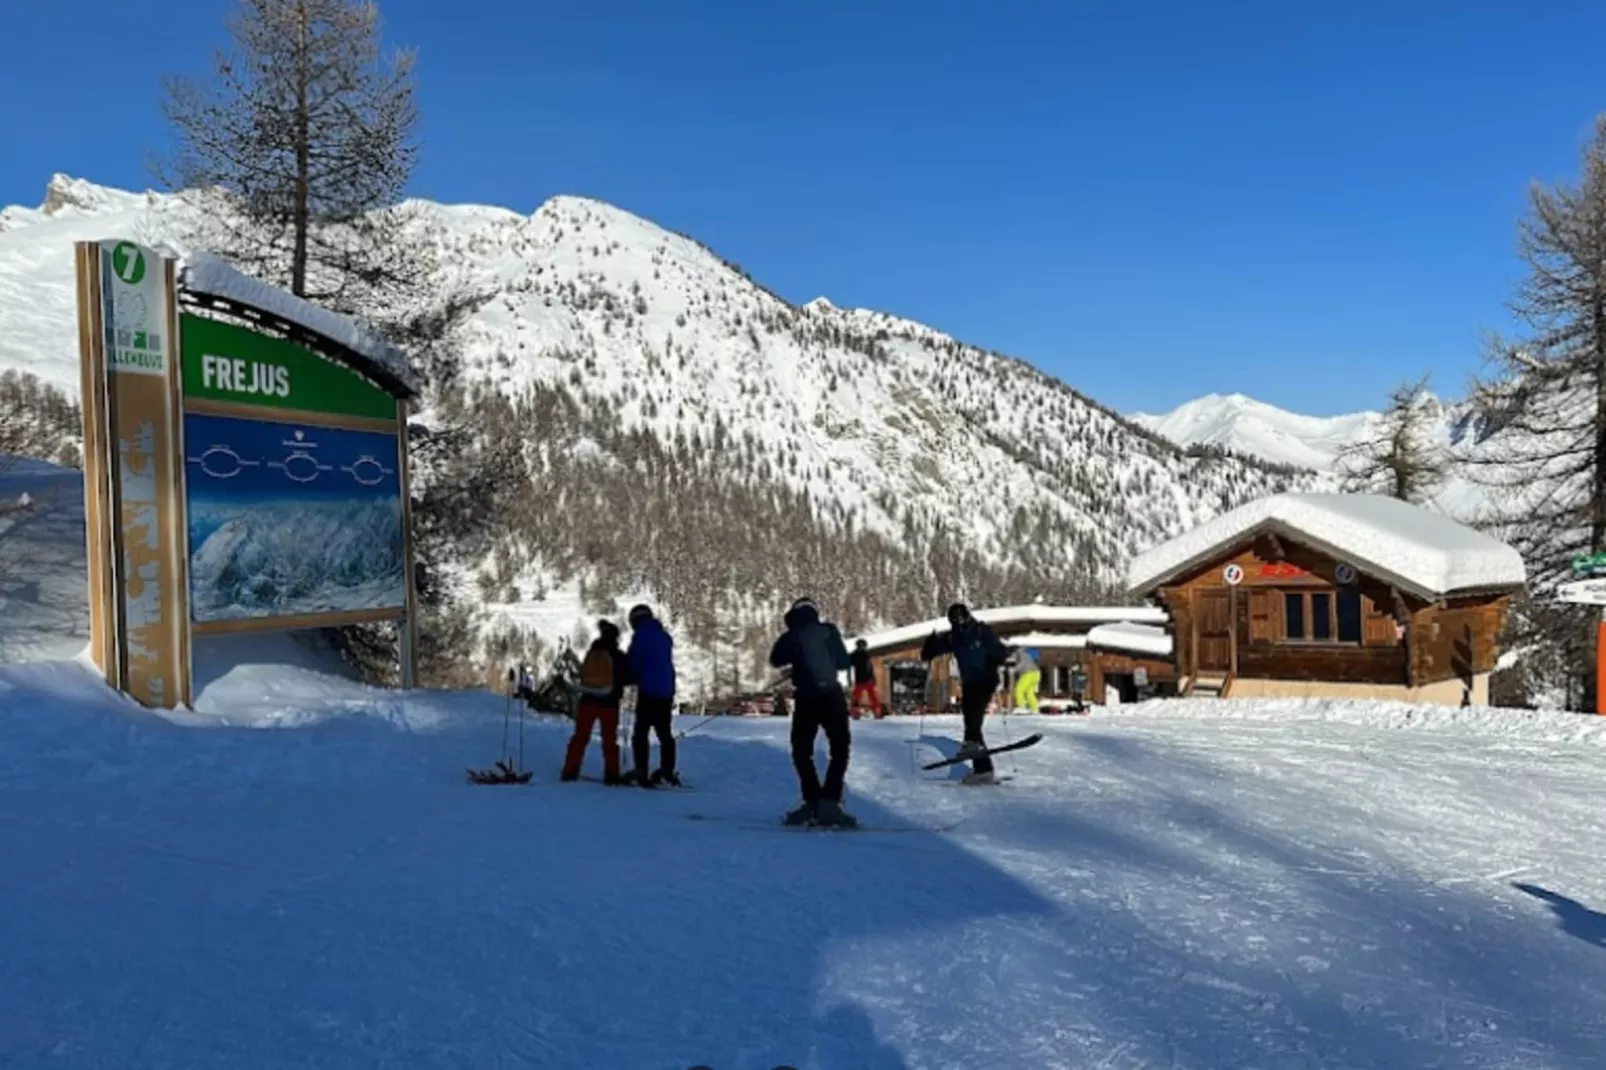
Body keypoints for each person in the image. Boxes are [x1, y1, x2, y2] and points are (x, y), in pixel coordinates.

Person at [768, 597, 856, 827]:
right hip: (832, 696)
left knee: (801, 751)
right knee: (839, 749)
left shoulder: (793, 635)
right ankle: (830, 801)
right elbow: (844, 662)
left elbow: (776, 659)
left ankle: (812, 801)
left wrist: (798, 663)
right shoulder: (829, 631)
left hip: (806, 696)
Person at [920, 602, 1009, 784]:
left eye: (960, 620)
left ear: (967, 617)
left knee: (973, 721)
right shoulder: (954, 638)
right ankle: (982, 768)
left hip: (985, 679)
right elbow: (929, 653)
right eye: (954, 622)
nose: (959, 625)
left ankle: (975, 753)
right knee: (971, 723)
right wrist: (930, 644)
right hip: (969, 682)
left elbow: (1001, 652)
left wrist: (995, 659)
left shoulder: (981, 631)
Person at [560, 620, 632, 783]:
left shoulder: (592, 652)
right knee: (609, 740)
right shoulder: (617, 655)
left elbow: (582, 673)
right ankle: (612, 775)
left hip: (587, 700)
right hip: (610, 703)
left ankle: (569, 771)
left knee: (580, 737)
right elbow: (628, 677)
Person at [625, 603, 680, 787]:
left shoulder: (640, 637)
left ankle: (641, 769)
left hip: (648, 690)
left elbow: (634, 662)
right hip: (666, 690)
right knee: (664, 732)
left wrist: (628, 677)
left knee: (641, 732)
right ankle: (667, 770)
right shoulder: (664, 637)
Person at [848, 638, 881, 719]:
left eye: (863, 646)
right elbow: (848, 667)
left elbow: (870, 667)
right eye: (861, 645)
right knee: (856, 697)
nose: (862, 647)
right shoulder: (854, 655)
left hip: (867, 679)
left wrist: (873, 678)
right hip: (860, 679)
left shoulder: (865, 655)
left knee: (872, 696)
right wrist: (849, 679)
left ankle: (877, 712)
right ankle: (855, 713)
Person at [1013, 646, 1041, 714]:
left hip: (1028, 673)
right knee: (1029, 693)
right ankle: (1034, 708)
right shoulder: (1026, 654)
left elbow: (1022, 665)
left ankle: (1022, 707)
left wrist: (1014, 670)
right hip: (1036, 674)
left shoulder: (1022, 654)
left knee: (1019, 689)